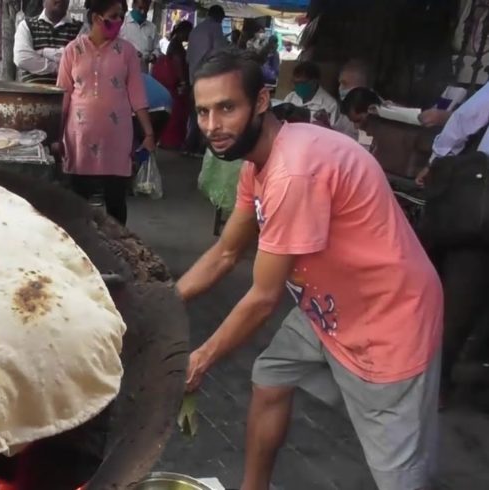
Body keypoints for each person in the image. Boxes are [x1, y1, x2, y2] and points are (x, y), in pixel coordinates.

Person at [182, 48, 442, 490]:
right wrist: (158, 302)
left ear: (261, 101)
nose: (212, 126)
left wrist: (201, 360)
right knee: (270, 377)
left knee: (398, 475)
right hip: (326, 306)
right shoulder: (257, 163)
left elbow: (262, 298)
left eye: (227, 108)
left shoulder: (292, 172)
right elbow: (226, 253)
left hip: (387, 318)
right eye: (204, 111)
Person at [414, 82, 489, 407]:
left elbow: (462, 122)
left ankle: (436, 379)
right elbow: (463, 121)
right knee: (460, 297)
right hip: (476, 211)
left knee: (457, 296)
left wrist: (437, 162)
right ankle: (435, 379)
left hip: (473, 209)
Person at [56, 0, 155, 225]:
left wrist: (149, 134)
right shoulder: (73, 50)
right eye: (113, 16)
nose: (119, 21)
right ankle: (79, 247)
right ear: (95, 18)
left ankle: (118, 249)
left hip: (116, 140)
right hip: (79, 138)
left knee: (116, 202)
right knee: (78, 201)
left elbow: (138, 96)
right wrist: (57, 137)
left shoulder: (127, 52)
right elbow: (63, 96)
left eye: (121, 16)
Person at [185, 5, 226, 154]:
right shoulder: (215, 28)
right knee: (207, 114)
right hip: (208, 77)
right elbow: (220, 53)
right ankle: (199, 148)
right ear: (219, 17)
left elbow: (189, 57)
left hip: (193, 77)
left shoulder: (196, 30)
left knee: (194, 114)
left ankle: (189, 145)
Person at [13, 0, 83, 84]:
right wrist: (57, 67)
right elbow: (22, 59)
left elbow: (81, 61)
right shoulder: (26, 26)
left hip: (66, 94)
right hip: (33, 94)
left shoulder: (80, 29)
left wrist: (43, 52)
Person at [151, 20, 192, 148]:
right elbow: (178, 63)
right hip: (175, 85)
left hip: (171, 85)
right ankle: (171, 142)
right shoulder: (176, 47)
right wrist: (183, 82)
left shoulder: (173, 44)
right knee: (176, 115)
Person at [283, 60, 340, 126]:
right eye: (295, 83)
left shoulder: (330, 105)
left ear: (314, 82)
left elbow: (331, 131)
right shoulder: (291, 97)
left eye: (302, 83)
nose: (298, 87)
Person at [118, 0, 159, 72]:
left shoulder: (152, 28)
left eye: (145, 9)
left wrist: (153, 56)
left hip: (142, 73)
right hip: (124, 72)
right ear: (133, 5)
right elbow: (115, 46)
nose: (142, 12)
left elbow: (157, 49)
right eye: (140, 8)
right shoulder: (122, 24)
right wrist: (131, 53)